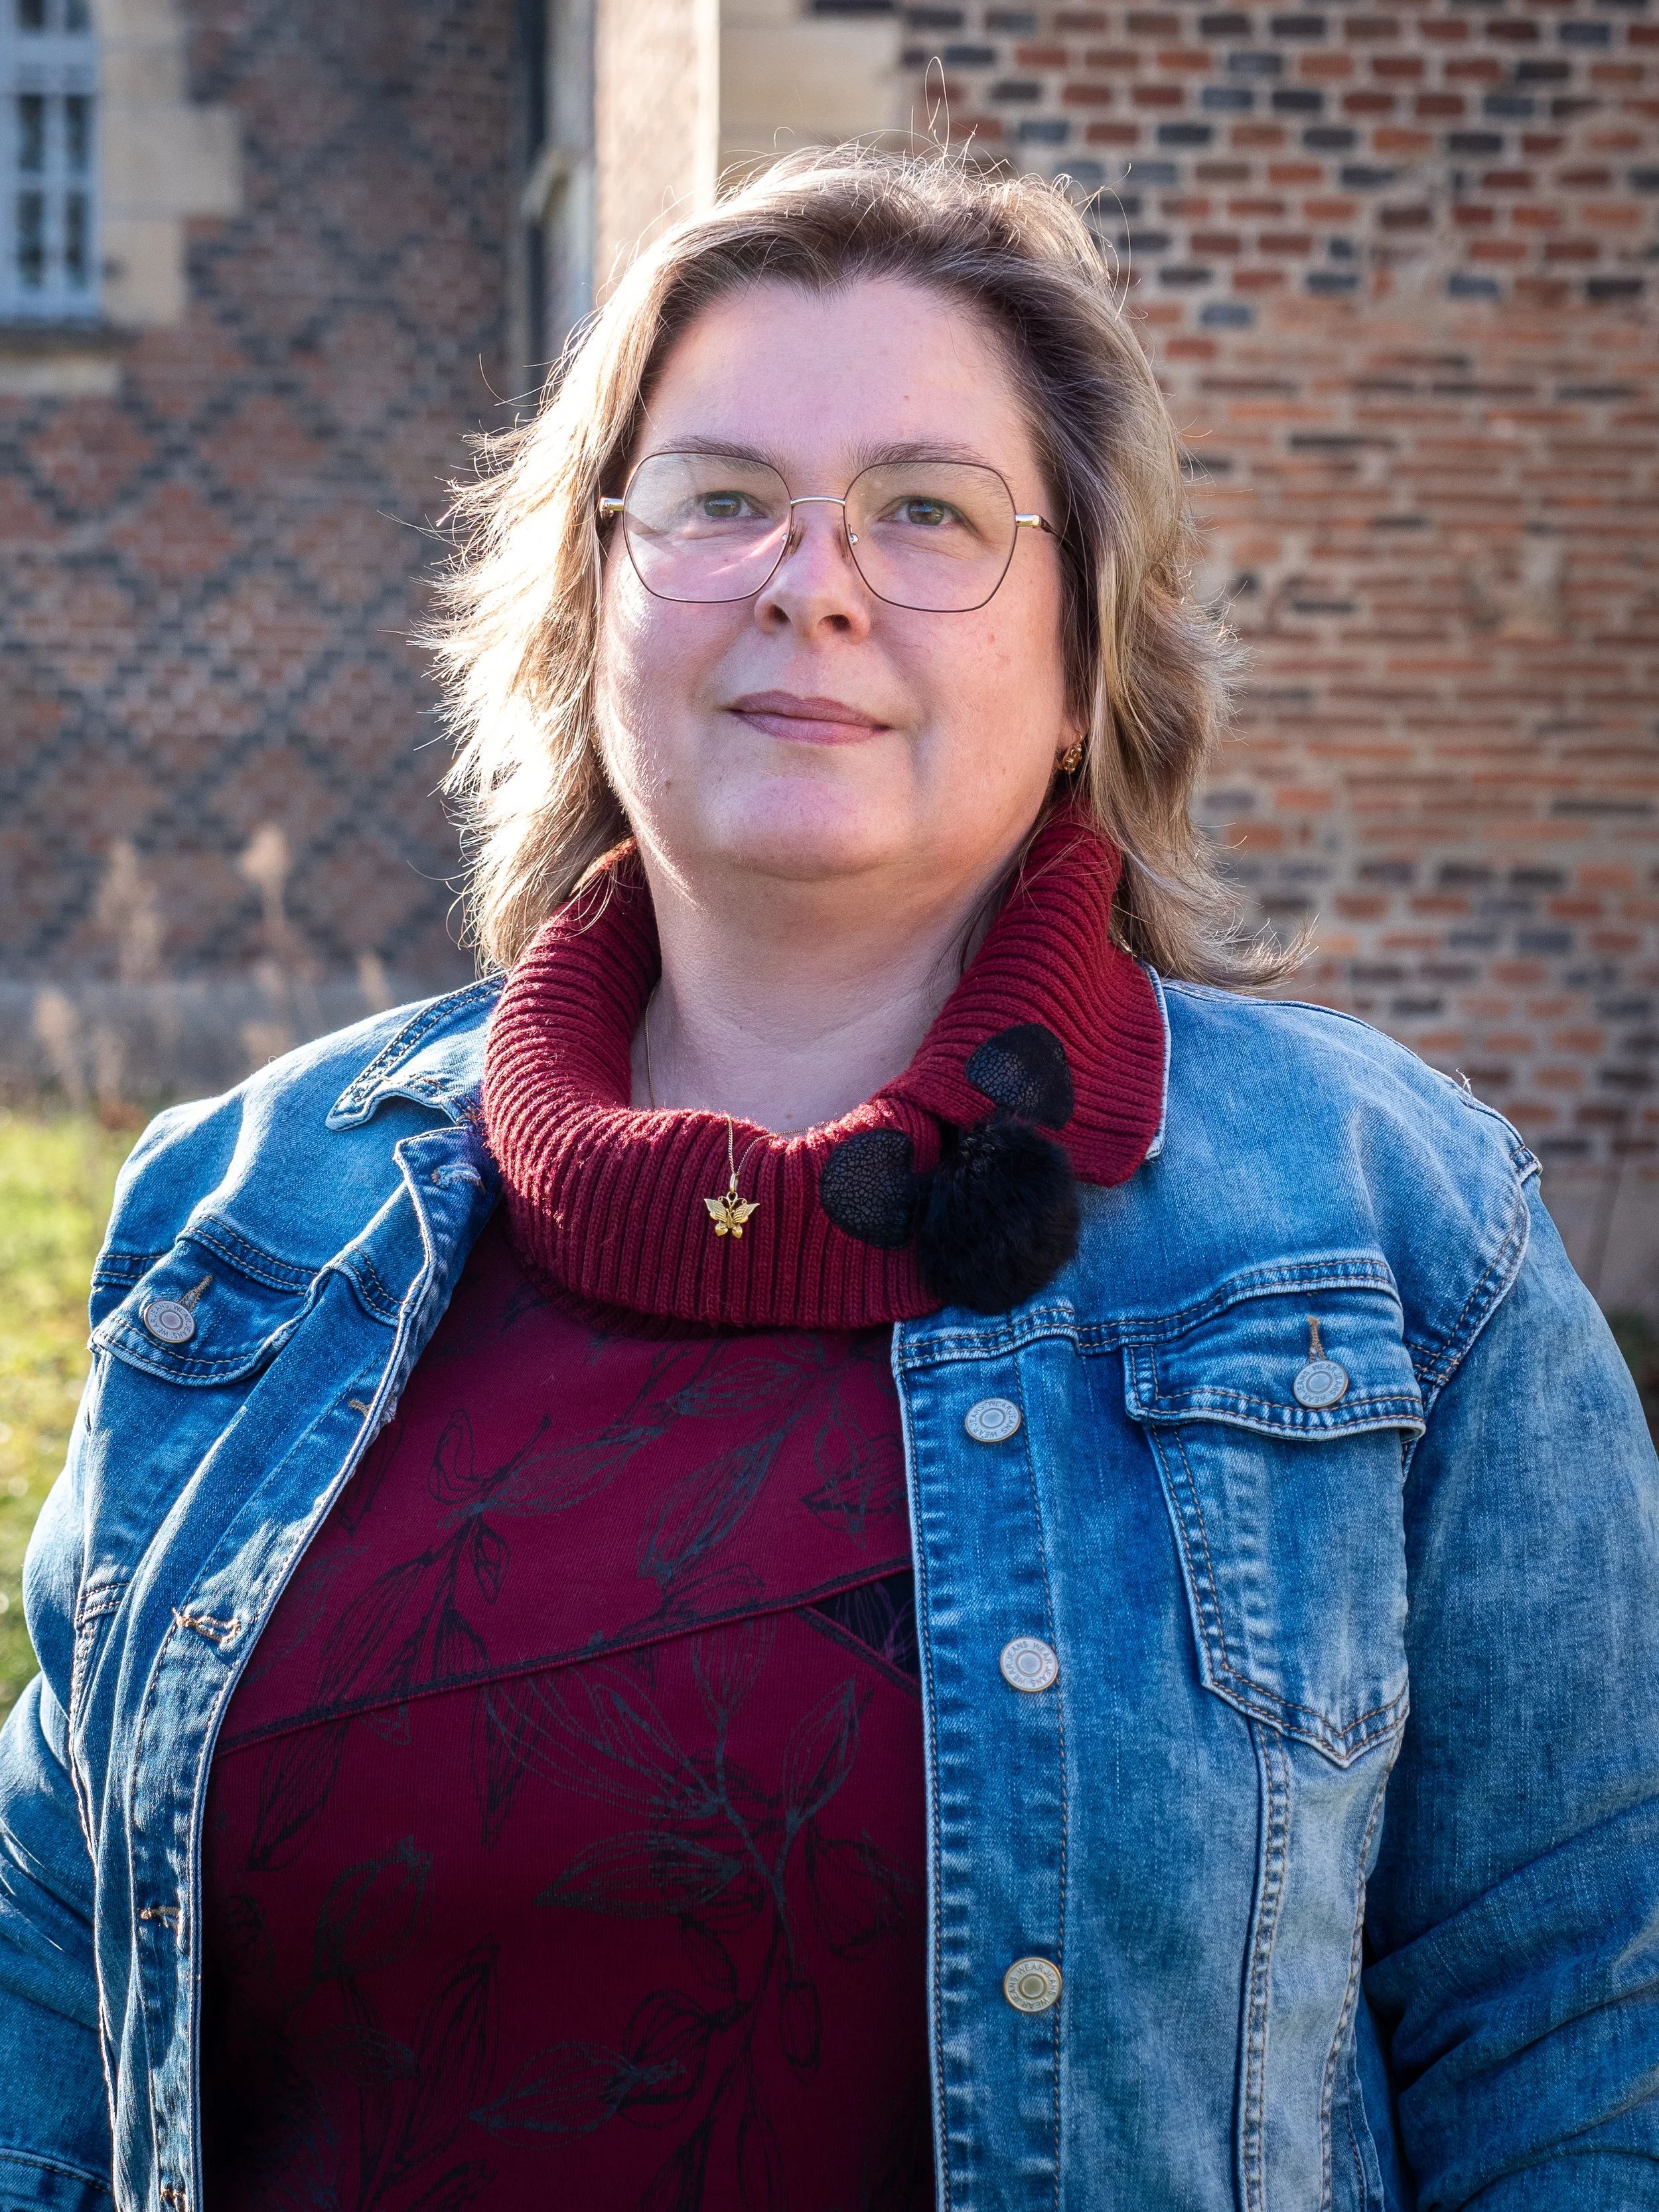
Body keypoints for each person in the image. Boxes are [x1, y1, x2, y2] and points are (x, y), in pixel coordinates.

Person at [3, 145, 1657, 2212]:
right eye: (714, 501)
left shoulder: (1400, 1240)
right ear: (585, 607)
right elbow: (47, 1969)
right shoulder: (245, 1218)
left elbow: (1585, 2033)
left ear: (1078, 670)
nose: (813, 579)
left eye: (928, 510)